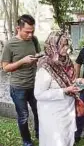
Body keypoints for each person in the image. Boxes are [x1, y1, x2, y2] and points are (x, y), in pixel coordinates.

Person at [34, 31, 81, 146]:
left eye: (67, 44)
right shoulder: (46, 66)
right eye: (63, 45)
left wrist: (78, 81)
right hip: (52, 114)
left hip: (67, 110)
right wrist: (65, 90)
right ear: (54, 46)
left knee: (67, 138)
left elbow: (69, 80)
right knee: (55, 141)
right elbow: (39, 94)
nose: (66, 48)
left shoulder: (66, 61)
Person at [1, 14, 41, 146]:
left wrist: (38, 58)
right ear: (18, 28)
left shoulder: (34, 40)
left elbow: (37, 55)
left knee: (38, 112)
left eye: (32, 31)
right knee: (23, 117)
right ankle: (27, 141)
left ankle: (39, 133)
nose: (30, 35)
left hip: (34, 85)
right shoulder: (9, 45)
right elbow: (5, 68)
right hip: (18, 88)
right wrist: (22, 61)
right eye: (27, 32)